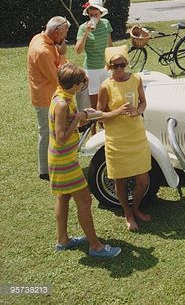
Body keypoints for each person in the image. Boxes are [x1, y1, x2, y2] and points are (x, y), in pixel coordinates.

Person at [49, 62, 122, 257]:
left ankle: (63, 240)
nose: (85, 83)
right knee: (84, 200)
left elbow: (80, 118)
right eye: (82, 81)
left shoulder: (62, 94)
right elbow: (61, 136)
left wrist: (114, 112)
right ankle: (95, 246)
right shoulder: (63, 104)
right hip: (64, 161)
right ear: (74, 85)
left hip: (60, 158)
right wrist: (78, 118)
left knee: (63, 197)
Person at [98, 46, 152, 232]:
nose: (119, 70)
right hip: (116, 139)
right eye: (115, 66)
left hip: (136, 136)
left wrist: (138, 111)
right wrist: (117, 112)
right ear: (109, 66)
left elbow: (143, 102)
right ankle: (127, 212)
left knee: (143, 180)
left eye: (122, 65)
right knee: (119, 180)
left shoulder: (136, 79)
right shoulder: (106, 86)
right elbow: (99, 114)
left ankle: (136, 209)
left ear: (127, 63)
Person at [28, 16, 70, 180]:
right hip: (46, 97)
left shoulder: (39, 38)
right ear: (56, 32)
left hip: (47, 94)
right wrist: (63, 55)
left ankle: (52, 164)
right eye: (65, 33)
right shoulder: (43, 51)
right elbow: (59, 78)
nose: (65, 37)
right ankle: (45, 170)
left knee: (48, 131)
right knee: (46, 132)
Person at [75, 0, 113, 109]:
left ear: (101, 13)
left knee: (107, 97)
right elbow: (78, 50)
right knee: (94, 101)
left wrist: (111, 62)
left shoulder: (106, 24)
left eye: (96, 15)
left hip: (105, 67)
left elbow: (110, 45)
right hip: (91, 69)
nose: (93, 17)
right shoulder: (83, 28)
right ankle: (94, 125)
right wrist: (86, 32)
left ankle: (104, 123)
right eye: (91, 15)